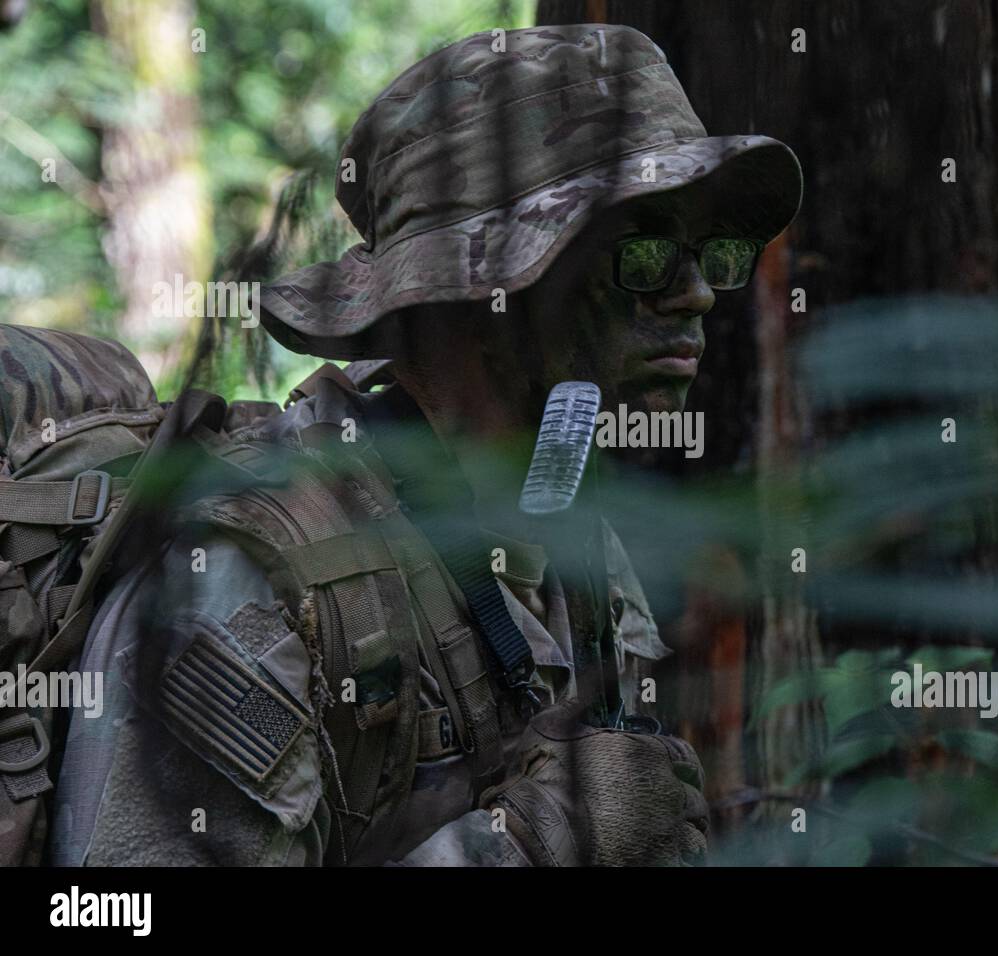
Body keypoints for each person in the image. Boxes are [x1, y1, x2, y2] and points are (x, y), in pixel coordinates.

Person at [49, 22, 802, 866]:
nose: (697, 293)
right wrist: (521, 851)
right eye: (647, 252)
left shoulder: (577, 542)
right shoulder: (250, 575)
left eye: (712, 255)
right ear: (480, 290)